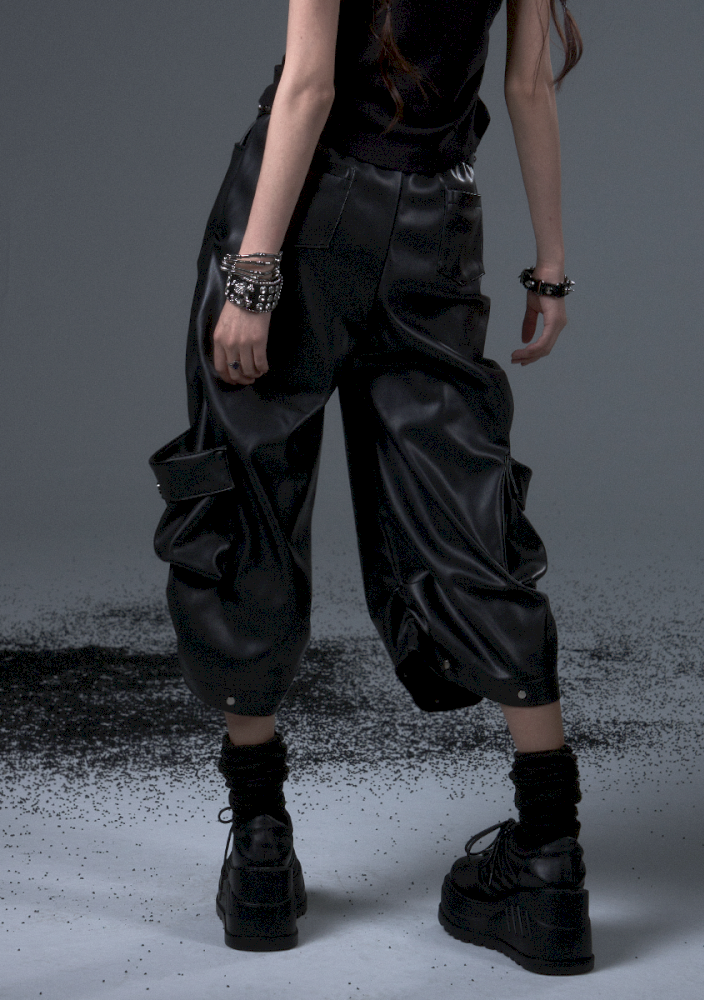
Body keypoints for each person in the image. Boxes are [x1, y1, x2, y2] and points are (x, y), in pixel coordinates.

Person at [149, 0, 591, 976]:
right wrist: (551, 266)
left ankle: (261, 850)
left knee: (245, 501)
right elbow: (527, 83)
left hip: (302, 210)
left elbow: (311, 86)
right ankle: (550, 855)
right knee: (466, 512)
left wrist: (254, 275)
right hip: (437, 223)